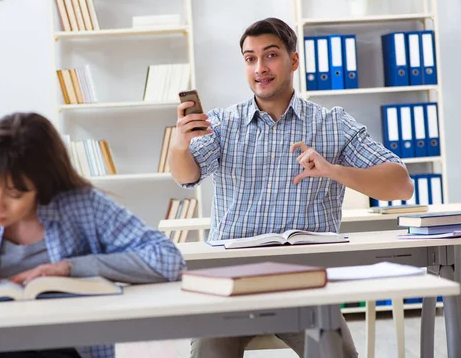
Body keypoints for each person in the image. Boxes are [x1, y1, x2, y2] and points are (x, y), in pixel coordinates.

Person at [168, 18, 414, 358]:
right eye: (250, 58)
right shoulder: (223, 123)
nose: (260, 68)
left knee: (338, 355)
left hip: (305, 284)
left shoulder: (332, 123)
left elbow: (402, 185)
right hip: (232, 284)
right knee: (209, 352)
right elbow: (186, 176)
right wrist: (180, 145)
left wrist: (333, 170)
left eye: (270, 55)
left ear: (293, 60)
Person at [0, 112, 186, 358]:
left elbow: (167, 259)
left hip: (62, 348)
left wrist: (72, 268)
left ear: (42, 186)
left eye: (15, 193)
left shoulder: (82, 205)